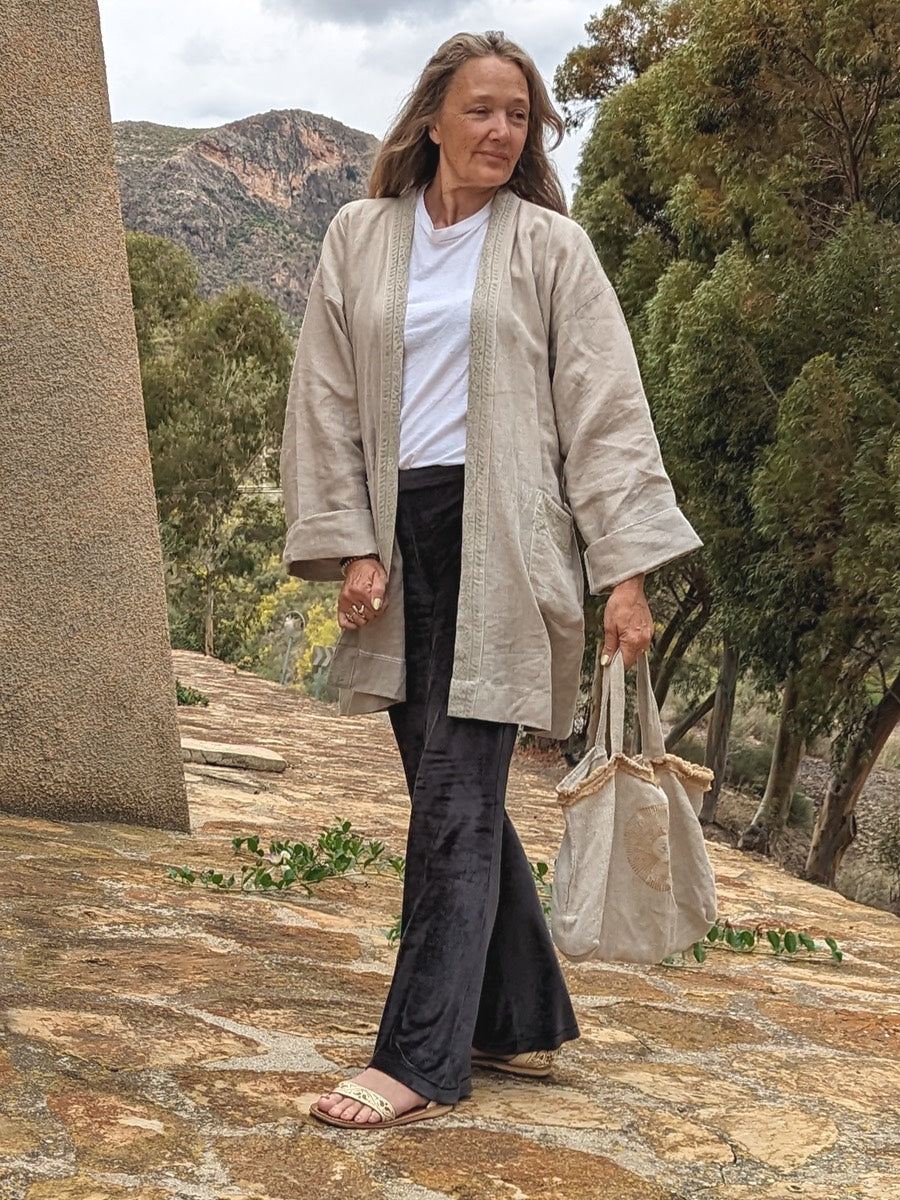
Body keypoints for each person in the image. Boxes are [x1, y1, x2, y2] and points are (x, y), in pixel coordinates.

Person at [280, 30, 701, 1129]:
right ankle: (519, 1016)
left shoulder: (553, 249)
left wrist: (626, 574)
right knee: (441, 792)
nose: (503, 131)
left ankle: (420, 1059)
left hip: (507, 542)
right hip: (397, 531)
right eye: (482, 110)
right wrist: (353, 544)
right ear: (432, 118)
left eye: (520, 114)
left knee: (459, 801)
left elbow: (606, 414)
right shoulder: (358, 235)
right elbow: (324, 398)